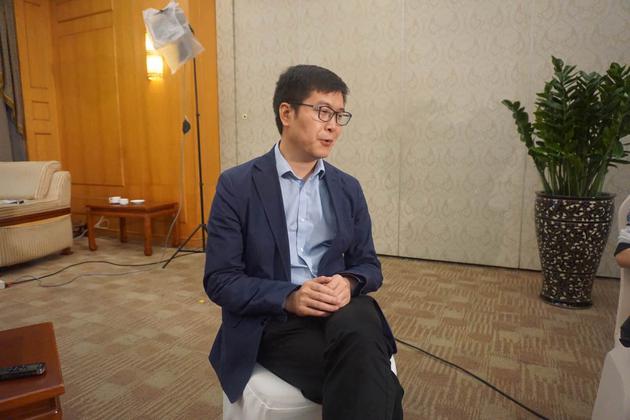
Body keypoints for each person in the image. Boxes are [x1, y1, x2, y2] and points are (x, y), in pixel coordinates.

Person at [203, 64, 404, 419]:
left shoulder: (347, 187)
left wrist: (348, 282)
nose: (333, 126)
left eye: (340, 116)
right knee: (372, 374)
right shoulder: (237, 185)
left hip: (339, 311)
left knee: (361, 322)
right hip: (272, 320)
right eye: (323, 112)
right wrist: (290, 297)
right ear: (287, 113)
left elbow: (369, 266)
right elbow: (220, 280)